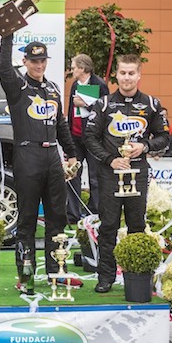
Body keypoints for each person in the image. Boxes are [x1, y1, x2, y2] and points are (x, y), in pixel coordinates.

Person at [84, 54, 169, 293]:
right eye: (123, 73)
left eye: (131, 73)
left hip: (138, 173)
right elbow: (89, 137)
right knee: (108, 226)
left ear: (139, 75)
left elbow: (164, 137)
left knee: (137, 226)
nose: (127, 78)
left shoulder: (152, 104)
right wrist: (110, 159)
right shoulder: (103, 104)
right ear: (116, 75)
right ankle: (106, 277)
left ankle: (137, 276)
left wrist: (145, 146)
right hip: (110, 174)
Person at [0, 36, 77, 281]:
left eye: (42, 60)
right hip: (27, 154)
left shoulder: (53, 88)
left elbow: (61, 124)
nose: (39, 65)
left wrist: (71, 153)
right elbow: (3, 69)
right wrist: (7, 37)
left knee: (57, 216)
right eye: (34, 61)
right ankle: (26, 273)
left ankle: (56, 270)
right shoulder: (18, 86)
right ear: (25, 62)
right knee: (28, 218)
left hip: (52, 155)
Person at [66, 53, 109, 224]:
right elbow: (71, 110)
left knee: (94, 176)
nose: (72, 70)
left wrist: (86, 104)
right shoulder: (75, 85)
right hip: (75, 136)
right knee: (73, 174)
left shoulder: (100, 84)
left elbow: (105, 110)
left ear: (83, 68)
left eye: (74, 67)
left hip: (93, 137)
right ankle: (72, 214)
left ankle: (94, 212)